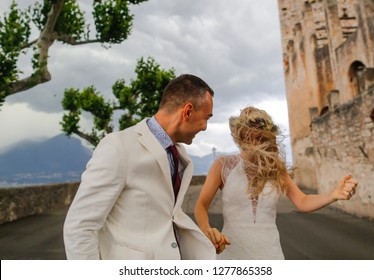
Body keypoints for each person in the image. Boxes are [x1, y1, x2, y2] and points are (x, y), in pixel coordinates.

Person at [63, 74, 217, 260]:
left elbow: (166, 216)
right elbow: (79, 227)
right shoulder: (118, 147)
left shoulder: (179, 155)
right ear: (187, 111)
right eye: (206, 118)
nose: (205, 127)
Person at [194, 106, 358, 259]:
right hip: (232, 255)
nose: (257, 142)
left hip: (271, 254)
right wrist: (207, 230)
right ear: (242, 136)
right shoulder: (223, 165)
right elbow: (201, 205)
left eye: (261, 137)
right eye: (252, 136)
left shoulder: (275, 169)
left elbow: (302, 201)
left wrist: (332, 195)